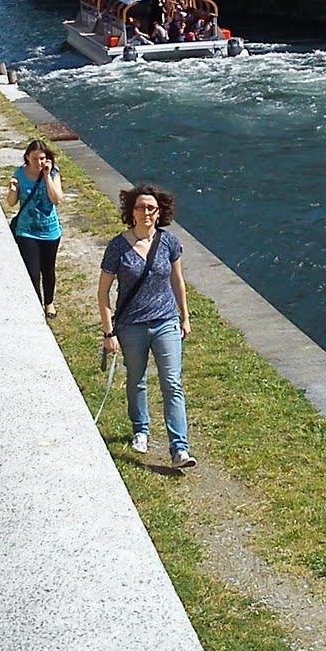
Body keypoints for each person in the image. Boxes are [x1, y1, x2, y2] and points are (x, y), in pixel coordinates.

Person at [97, 184, 195, 469]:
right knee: (136, 379)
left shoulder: (169, 242)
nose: (146, 213)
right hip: (131, 325)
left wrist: (184, 316)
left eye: (152, 208)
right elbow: (103, 292)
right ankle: (141, 429)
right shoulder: (118, 246)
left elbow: (177, 282)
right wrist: (108, 331)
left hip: (165, 321)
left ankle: (180, 448)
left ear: (160, 211)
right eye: (141, 207)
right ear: (132, 212)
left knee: (172, 383)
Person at [5, 139, 64, 319]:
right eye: (36, 159)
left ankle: (49, 303)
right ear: (28, 158)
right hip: (26, 230)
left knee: (48, 269)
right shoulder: (20, 174)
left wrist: (46, 177)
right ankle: (35, 305)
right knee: (32, 270)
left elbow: (56, 199)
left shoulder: (53, 173)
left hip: (50, 231)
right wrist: (13, 189)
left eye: (43, 159)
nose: (39, 163)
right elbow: (11, 203)